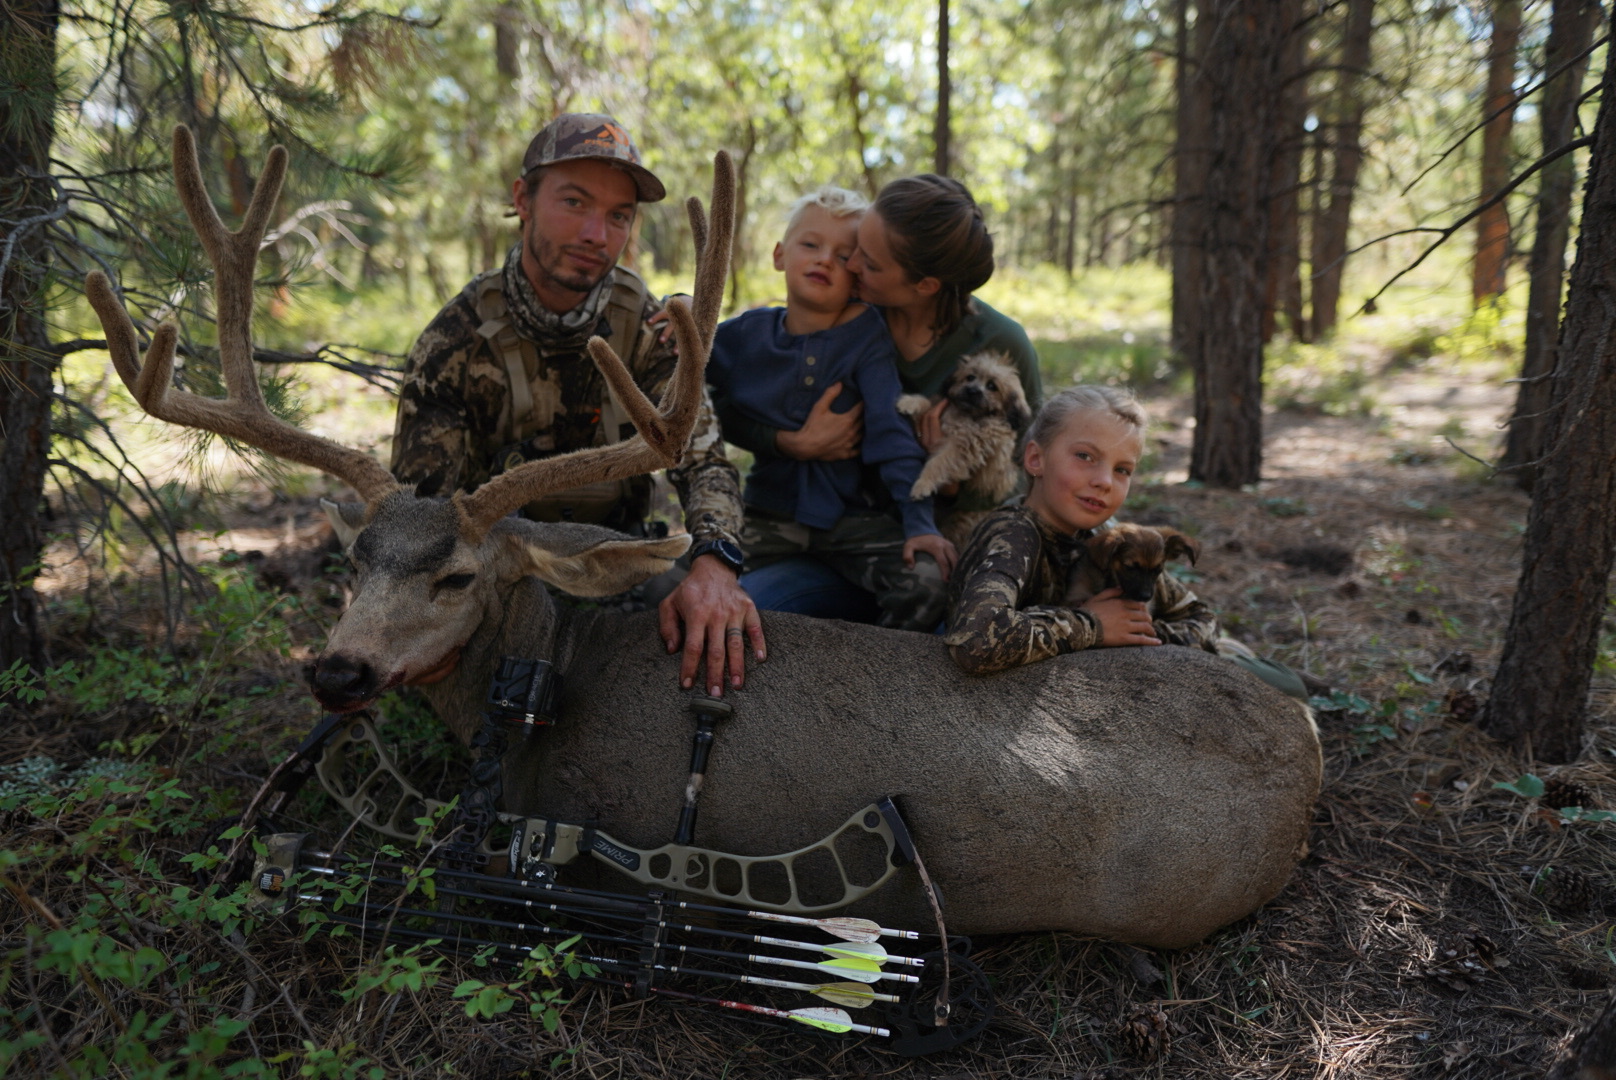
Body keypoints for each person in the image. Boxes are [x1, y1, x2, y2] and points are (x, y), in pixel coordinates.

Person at [390, 113, 760, 698]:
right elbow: (420, 511)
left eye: (618, 216)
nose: (597, 234)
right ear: (523, 200)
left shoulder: (650, 328)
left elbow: (707, 462)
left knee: (722, 651)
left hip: (618, 560)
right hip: (499, 571)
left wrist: (715, 563)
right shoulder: (455, 340)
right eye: (575, 202)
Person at [717, 174, 1043, 620]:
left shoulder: (1000, 346)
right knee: (727, 601)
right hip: (802, 527)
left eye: (864, 261)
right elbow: (748, 378)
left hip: (911, 539)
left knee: (933, 595)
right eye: (855, 251)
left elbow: (1028, 475)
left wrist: (949, 483)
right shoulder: (844, 317)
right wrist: (787, 442)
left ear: (925, 284)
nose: (846, 267)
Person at [943, 385, 1310, 699]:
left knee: (1285, 686)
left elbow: (1201, 618)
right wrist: (1091, 625)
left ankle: (1287, 675)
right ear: (1036, 459)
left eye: (1122, 470)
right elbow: (975, 642)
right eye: (1085, 456)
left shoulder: (1107, 539)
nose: (1104, 480)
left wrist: (1140, 632)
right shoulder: (1015, 537)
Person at [707, 187, 955, 631]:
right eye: (810, 245)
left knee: (929, 579)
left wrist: (920, 522)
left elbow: (890, 433)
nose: (825, 260)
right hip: (767, 514)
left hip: (851, 523)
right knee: (680, 585)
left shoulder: (866, 338)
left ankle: (878, 671)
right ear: (780, 255)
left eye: (844, 256)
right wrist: (678, 309)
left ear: (858, 275)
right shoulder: (746, 335)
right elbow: (699, 388)